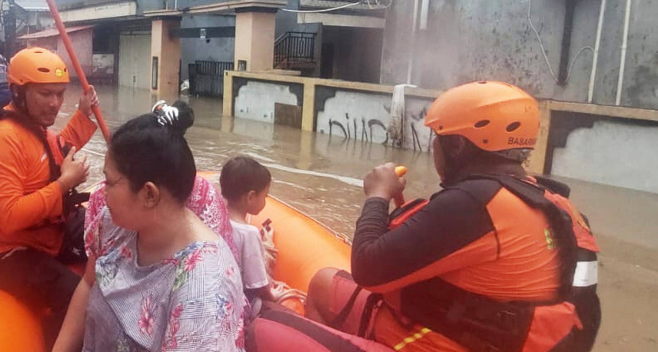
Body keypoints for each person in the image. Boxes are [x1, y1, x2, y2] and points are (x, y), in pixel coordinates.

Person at [256, 81, 600, 352]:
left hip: (442, 342)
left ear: (458, 146)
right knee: (323, 280)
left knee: (267, 322)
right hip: (502, 339)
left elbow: (367, 268)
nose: (433, 148)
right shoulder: (559, 205)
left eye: (437, 138)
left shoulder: (473, 203)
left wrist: (377, 195)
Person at [53, 101, 245, 352]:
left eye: (110, 182)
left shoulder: (201, 289)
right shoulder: (115, 224)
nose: (102, 192)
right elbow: (89, 283)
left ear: (149, 195)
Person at [0, 47, 99, 347]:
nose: (55, 104)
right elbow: (9, 218)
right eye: (45, 94)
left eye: (60, 94)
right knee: (76, 298)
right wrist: (65, 183)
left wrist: (83, 114)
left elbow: (58, 148)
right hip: (5, 252)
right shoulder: (3, 140)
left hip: (43, 234)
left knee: (109, 237)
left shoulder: (33, 128)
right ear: (18, 92)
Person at [220, 156, 273, 319]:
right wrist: (274, 295)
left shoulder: (216, 218)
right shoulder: (249, 233)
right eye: (265, 196)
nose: (265, 200)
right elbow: (258, 284)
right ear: (250, 197)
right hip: (244, 303)